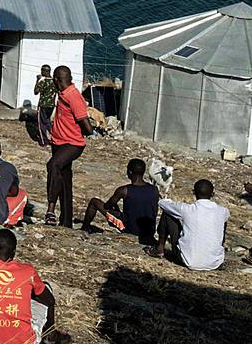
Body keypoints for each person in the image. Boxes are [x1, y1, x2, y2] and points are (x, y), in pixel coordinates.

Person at [45, 66, 92, 227]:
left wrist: (74, 131)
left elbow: (87, 127)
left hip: (72, 144)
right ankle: (66, 222)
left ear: (56, 80)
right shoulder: (63, 93)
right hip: (58, 142)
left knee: (53, 165)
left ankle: (50, 208)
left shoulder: (73, 96)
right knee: (64, 182)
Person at [150, 178, 229, 271]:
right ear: (212, 194)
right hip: (215, 262)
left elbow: (163, 204)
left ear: (194, 193)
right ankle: (214, 251)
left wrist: (165, 199)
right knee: (222, 222)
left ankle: (160, 249)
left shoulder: (187, 209)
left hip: (188, 260)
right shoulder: (223, 211)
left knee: (168, 213)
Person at [80, 158, 160, 244]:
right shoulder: (154, 190)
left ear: (129, 172)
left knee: (94, 202)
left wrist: (115, 208)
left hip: (129, 229)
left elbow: (108, 206)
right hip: (149, 231)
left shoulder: (124, 190)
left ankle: (84, 228)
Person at [32, 65, 56, 146]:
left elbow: (36, 92)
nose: (41, 73)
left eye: (42, 71)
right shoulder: (54, 82)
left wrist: (37, 80)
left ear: (45, 71)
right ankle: (54, 138)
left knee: (41, 123)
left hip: (43, 105)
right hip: (51, 106)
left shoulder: (43, 81)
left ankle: (43, 141)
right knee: (48, 122)